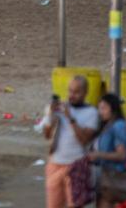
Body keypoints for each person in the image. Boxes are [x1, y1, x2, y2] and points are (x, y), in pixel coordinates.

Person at [41, 75, 99, 208]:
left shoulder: (91, 112)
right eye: (70, 91)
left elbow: (84, 140)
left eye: (77, 92)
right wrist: (50, 116)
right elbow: (46, 135)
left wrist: (70, 118)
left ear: (85, 93)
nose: (72, 95)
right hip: (55, 164)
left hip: (76, 165)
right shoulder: (59, 108)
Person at [89, 93, 126, 208]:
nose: (100, 112)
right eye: (99, 108)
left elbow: (122, 154)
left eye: (104, 108)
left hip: (113, 175)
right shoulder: (107, 125)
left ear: (113, 108)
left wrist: (98, 155)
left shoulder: (118, 126)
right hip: (104, 175)